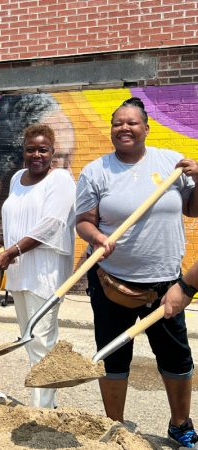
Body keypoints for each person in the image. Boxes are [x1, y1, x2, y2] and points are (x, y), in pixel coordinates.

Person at [76, 97, 197, 448]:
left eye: (132, 122)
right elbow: (84, 221)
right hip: (111, 282)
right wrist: (97, 236)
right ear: (112, 130)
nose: (124, 128)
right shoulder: (96, 171)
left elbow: (193, 209)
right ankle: (115, 427)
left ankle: (180, 424)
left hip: (166, 285)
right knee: (113, 358)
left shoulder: (169, 162)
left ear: (146, 127)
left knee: (177, 360)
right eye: (118, 123)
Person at [0, 124, 75, 408]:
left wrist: (13, 250)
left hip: (45, 271)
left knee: (43, 339)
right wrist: (2, 242)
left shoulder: (61, 179)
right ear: (23, 151)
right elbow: (14, 214)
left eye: (43, 149)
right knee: (29, 338)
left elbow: (52, 226)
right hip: (19, 269)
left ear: (52, 152)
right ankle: (45, 404)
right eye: (31, 149)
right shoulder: (17, 178)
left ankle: (42, 410)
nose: (36, 154)